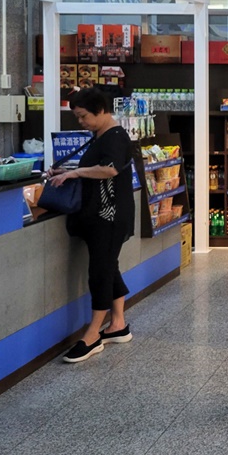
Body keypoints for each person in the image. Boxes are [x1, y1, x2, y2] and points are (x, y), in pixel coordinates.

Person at [47, 88, 136, 362]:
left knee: (99, 272)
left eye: (83, 116)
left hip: (110, 216)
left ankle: (93, 334)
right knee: (108, 266)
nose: (81, 122)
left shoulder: (116, 137)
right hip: (100, 215)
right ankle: (118, 324)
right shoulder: (100, 136)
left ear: (100, 110)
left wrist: (74, 172)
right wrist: (67, 172)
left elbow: (108, 169)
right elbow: (97, 168)